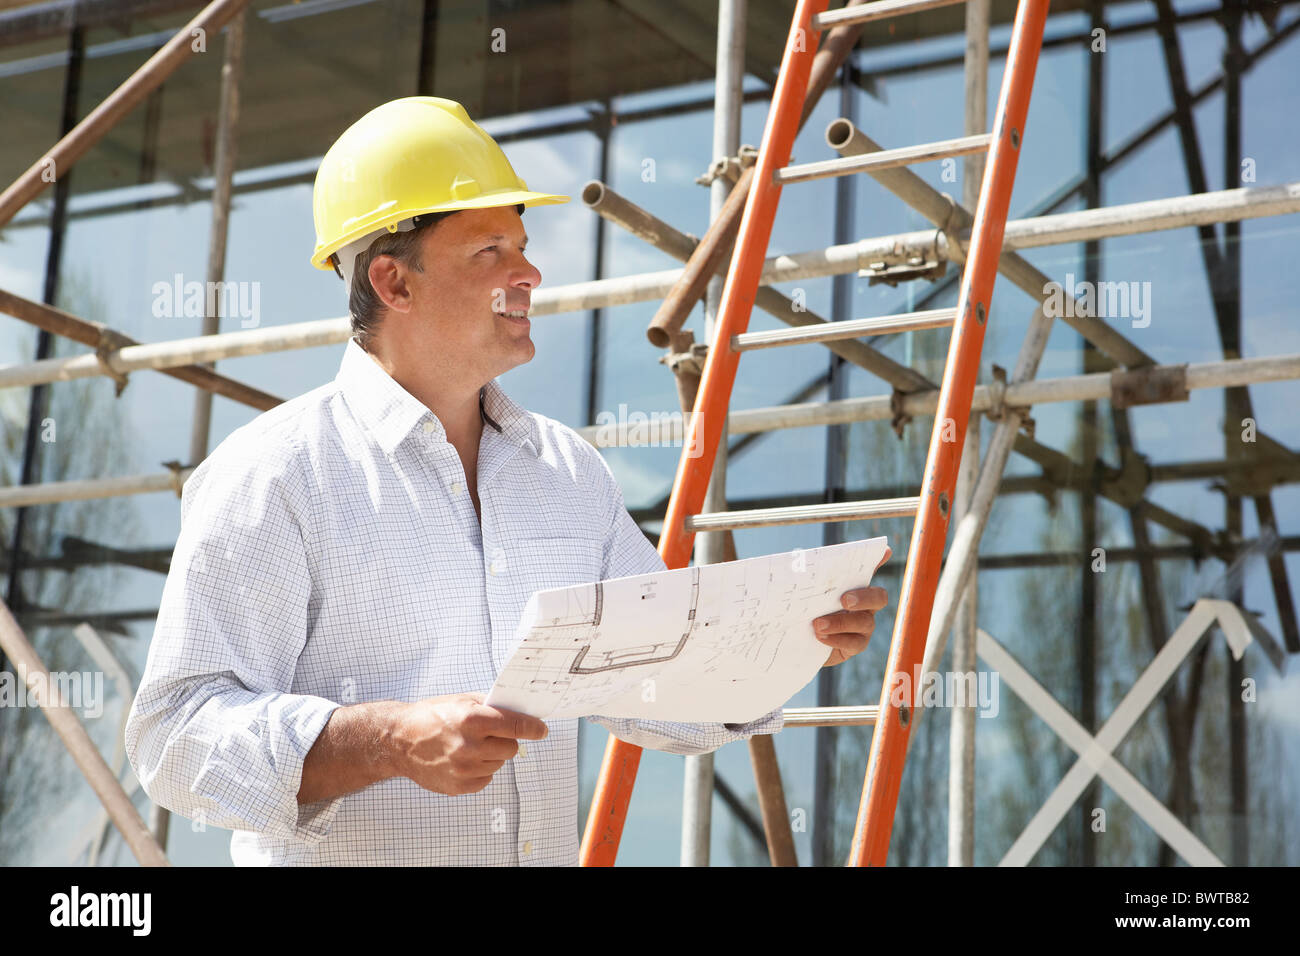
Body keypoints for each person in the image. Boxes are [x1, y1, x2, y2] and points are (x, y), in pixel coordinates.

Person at [125, 97, 890, 866]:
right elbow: (176, 737)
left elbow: (651, 682)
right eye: (490, 250)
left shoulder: (565, 471)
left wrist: (782, 645)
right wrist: (387, 741)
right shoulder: (276, 474)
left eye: (521, 246)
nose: (529, 273)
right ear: (393, 282)